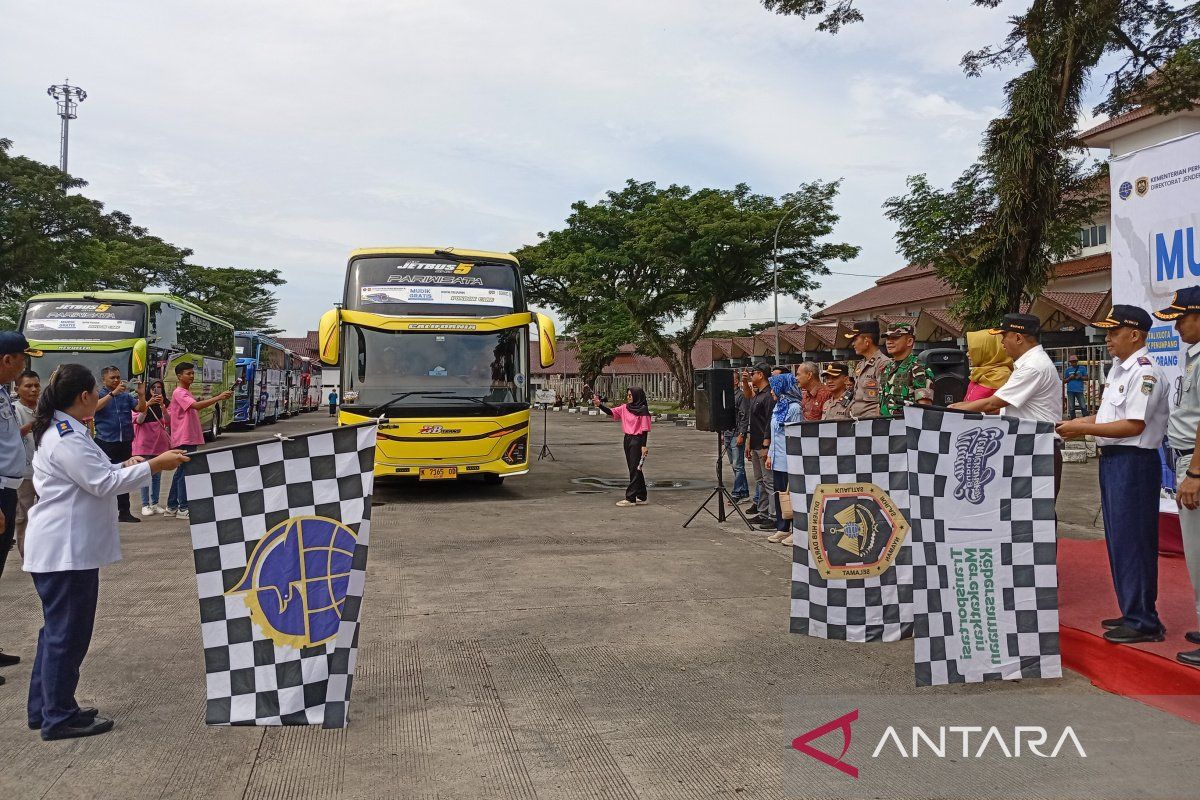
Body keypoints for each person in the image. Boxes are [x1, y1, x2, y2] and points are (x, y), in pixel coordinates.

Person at [23, 363, 190, 739]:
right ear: (84, 396)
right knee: (67, 635)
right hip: (65, 551)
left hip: (66, 549)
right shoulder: (66, 437)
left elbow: (99, 473)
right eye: (97, 391)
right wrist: (154, 464)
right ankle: (58, 717)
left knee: (57, 633)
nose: (102, 395)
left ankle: (46, 707)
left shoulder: (69, 430)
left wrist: (127, 464)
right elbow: (102, 484)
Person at [1057, 305, 1169, 645]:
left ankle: (1144, 620)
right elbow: (1108, 415)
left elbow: (1133, 425)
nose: (1107, 339)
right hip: (1113, 461)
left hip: (1134, 462)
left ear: (1134, 335)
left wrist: (1083, 430)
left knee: (1134, 540)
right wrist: (1078, 422)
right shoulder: (1120, 369)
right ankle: (1132, 609)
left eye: (1114, 332)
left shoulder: (1145, 372)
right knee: (1120, 539)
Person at [950, 314, 1064, 494]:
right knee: (1023, 507)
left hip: (1037, 448)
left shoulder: (1033, 367)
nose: (1002, 342)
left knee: (1035, 508)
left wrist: (953, 409)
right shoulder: (1028, 364)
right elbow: (1003, 408)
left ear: (1018, 338)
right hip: (1029, 446)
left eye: (1004, 336)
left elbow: (992, 404)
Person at [1155, 288, 1200, 666]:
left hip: (1195, 464)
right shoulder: (1192, 356)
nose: (1176, 327)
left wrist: (1196, 472)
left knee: (1199, 554)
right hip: (1187, 459)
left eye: (1182, 318)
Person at [0, 332, 41, 680]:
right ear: (7, 359)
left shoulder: (3, 394)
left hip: (9, 488)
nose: (24, 367)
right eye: (22, 359)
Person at [165, 362, 232, 520]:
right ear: (179, 376)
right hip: (184, 437)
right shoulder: (179, 392)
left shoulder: (184, 392)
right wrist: (218, 397)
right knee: (185, 472)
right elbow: (195, 406)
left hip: (187, 436)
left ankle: (172, 506)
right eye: (188, 373)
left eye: (192, 373)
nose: (192, 376)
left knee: (181, 471)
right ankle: (183, 507)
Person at [93, 366, 148, 523]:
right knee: (106, 477)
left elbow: (141, 408)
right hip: (105, 441)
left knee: (124, 476)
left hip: (125, 441)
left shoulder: (125, 396)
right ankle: (105, 512)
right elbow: (94, 408)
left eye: (118, 377)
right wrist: (112, 394)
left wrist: (141, 394)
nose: (116, 380)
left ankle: (124, 511)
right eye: (112, 377)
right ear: (104, 380)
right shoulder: (99, 395)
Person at [592, 388, 652, 506]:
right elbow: (611, 412)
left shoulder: (643, 410)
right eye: (627, 395)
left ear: (637, 396)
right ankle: (641, 495)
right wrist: (600, 405)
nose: (628, 397)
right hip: (627, 439)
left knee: (634, 469)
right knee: (634, 468)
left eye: (630, 395)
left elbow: (644, 429)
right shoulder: (625, 408)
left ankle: (630, 498)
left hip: (637, 440)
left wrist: (644, 446)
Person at [764, 372, 802, 544]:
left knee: (792, 495)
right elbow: (775, 434)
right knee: (780, 494)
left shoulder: (795, 408)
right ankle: (782, 528)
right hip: (777, 459)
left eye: (774, 388)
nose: (772, 391)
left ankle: (796, 530)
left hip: (790, 459)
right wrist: (770, 455)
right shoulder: (778, 406)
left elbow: (795, 435)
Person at [132, 380, 171, 515]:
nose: (156, 390)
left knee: (157, 476)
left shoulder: (165, 403)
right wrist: (147, 404)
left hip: (159, 444)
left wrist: (162, 406)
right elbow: (139, 420)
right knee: (144, 475)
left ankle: (155, 503)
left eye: (159, 388)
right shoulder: (140, 403)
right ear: (148, 389)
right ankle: (145, 505)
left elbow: (168, 421)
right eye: (153, 388)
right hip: (143, 444)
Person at [743, 366, 775, 529]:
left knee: (769, 481)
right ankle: (763, 512)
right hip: (755, 442)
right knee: (760, 481)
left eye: (753, 373)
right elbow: (748, 396)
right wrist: (749, 442)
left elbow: (769, 421)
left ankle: (774, 515)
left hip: (763, 444)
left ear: (761, 375)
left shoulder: (768, 395)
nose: (751, 376)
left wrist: (766, 444)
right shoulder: (758, 394)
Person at [879, 321, 933, 418]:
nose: (889, 342)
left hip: (907, 425)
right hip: (884, 425)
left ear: (909, 341)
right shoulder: (886, 369)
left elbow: (925, 408)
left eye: (895, 338)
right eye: (887, 338)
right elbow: (879, 404)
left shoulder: (918, 369)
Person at [14, 370, 40, 555]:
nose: (33, 390)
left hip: (46, 471)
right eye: (28, 386)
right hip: (24, 472)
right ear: (17, 389)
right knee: (23, 516)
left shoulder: (45, 408)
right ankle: (27, 556)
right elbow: (12, 436)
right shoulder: (13, 410)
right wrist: (33, 424)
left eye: (36, 385)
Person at [845, 320, 891, 418]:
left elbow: (884, 397)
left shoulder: (883, 363)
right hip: (855, 418)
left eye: (855, 339)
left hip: (871, 420)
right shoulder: (860, 365)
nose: (853, 344)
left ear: (867, 340)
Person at [964, 330, 1013, 402]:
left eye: (973, 351)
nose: (967, 354)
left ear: (987, 351)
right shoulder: (978, 372)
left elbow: (994, 406)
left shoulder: (1001, 376)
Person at [724, 370, 749, 501]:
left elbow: (744, 416)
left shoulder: (741, 396)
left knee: (737, 465)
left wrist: (742, 434)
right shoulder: (727, 395)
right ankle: (744, 491)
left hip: (737, 433)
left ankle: (736, 492)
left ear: (735, 381)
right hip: (728, 432)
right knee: (733, 464)